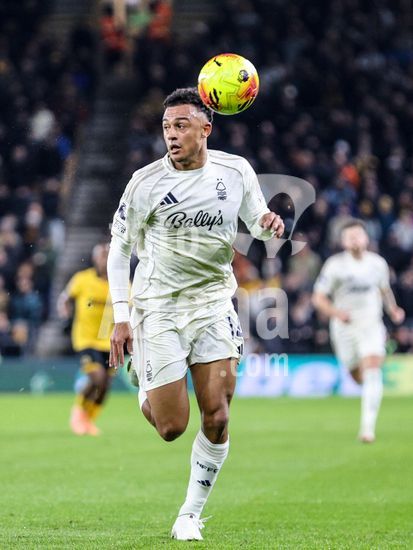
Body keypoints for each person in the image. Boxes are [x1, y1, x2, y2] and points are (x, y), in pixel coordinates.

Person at [107, 87, 284, 541]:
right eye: (166, 127)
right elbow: (119, 250)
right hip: (159, 308)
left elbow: (258, 223)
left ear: (206, 128)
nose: (171, 134)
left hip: (212, 304)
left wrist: (269, 226)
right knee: (171, 427)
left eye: (181, 126)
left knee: (218, 415)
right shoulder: (145, 182)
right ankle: (142, 376)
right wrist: (122, 316)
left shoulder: (235, 171)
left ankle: (189, 514)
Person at [312, 219, 405, 443]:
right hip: (344, 327)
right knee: (357, 375)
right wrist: (336, 313)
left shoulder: (378, 264)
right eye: (350, 236)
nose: (355, 239)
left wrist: (393, 310)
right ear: (343, 242)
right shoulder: (334, 265)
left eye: (358, 235)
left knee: (372, 369)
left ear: (366, 238)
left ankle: (367, 429)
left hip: (371, 324)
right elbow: (318, 298)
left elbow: (384, 290)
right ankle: (371, 389)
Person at [58, 243, 114, 436]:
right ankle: (78, 414)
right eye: (102, 256)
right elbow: (64, 299)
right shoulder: (82, 279)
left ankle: (88, 420)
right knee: (98, 377)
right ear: (94, 258)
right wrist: (65, 317)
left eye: (108, 255)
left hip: (109, 341)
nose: (105, 259)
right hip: (86, 339)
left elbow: (132, 306)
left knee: (104, 386)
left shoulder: (119, 282)